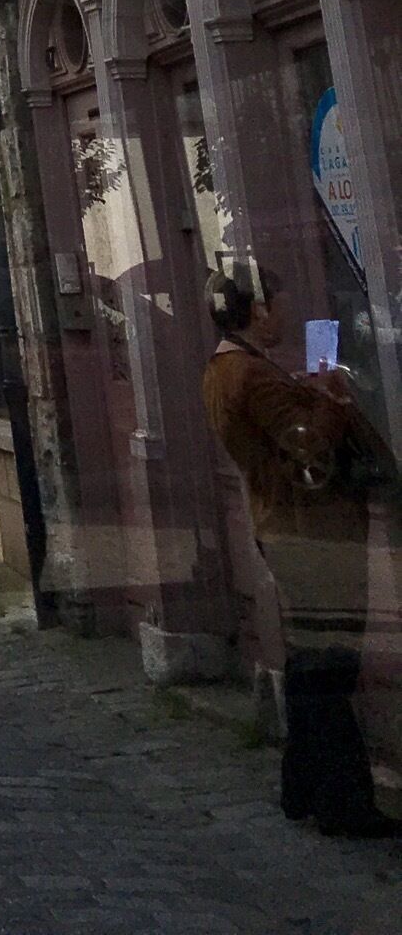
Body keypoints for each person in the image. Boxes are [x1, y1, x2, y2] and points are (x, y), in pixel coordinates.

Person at [201, 258, 398, 839]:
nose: (287, 311)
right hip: (310, 533)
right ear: (257, 310)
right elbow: (306, 447)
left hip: (289, 528)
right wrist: (331, 399)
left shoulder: (228, 370)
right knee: (329, 668)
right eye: (279, 301)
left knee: (314, 666)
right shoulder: (249, 375)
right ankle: (343, 802)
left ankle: (305, 786)